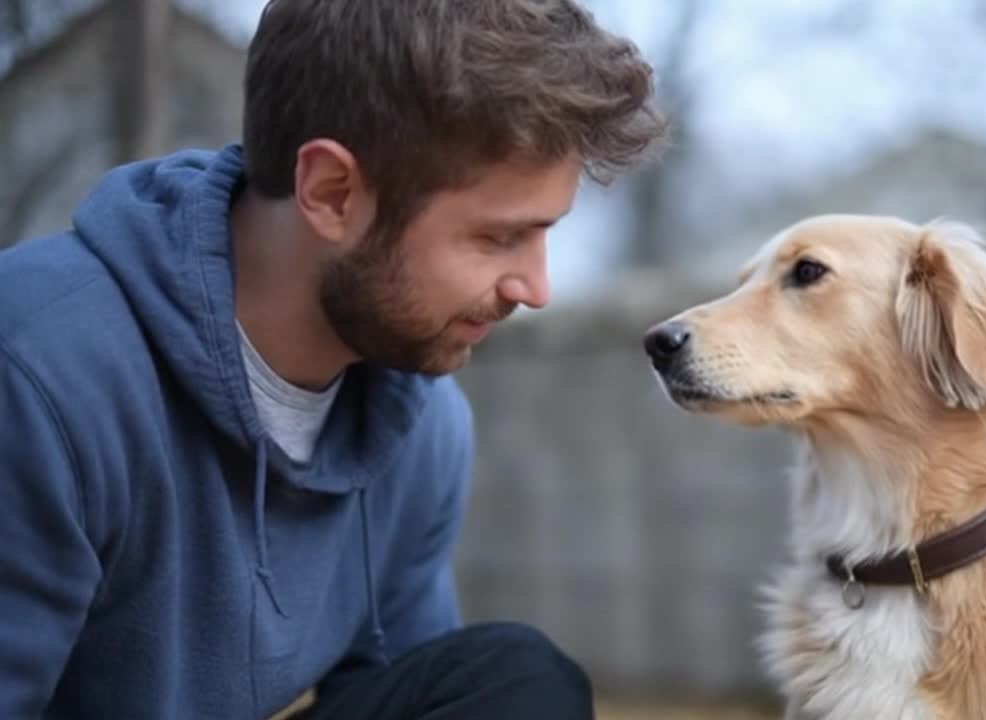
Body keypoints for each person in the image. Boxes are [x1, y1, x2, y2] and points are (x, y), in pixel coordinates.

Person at [0, 0, 668, 718]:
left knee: (512, 686)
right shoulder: (39, 371)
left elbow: (402, 688)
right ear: (330, 192)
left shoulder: (419, 420)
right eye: (498, 238)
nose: (535, 289)